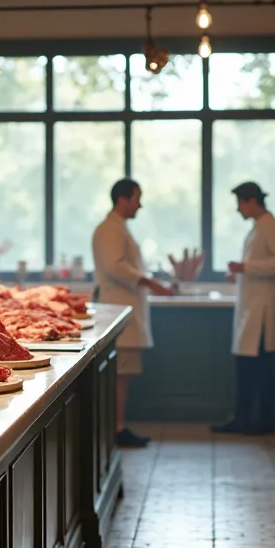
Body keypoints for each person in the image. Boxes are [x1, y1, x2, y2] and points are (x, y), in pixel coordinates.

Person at [92, 178, 172, 448]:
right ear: (122, 199)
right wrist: (148, 281)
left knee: (122, 375)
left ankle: (118, 425)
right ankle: (116, 428)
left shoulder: (118, 229)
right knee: (119, 376)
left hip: (124, 308)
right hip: (118, 310)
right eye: (137, 198)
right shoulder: (110, 230)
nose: (140, 204)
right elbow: (116, 267)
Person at [213, 182, 275, 435]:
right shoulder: (259, 228)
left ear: (251, 201)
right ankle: (245, 418)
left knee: (260, 369)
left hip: (263, 312)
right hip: (253, 308)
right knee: (249, 367)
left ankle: (261, 421)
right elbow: (260, 264)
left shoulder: (273, 228)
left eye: (240, 203)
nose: (238, 209)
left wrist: (246, 269)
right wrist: (241, 274)